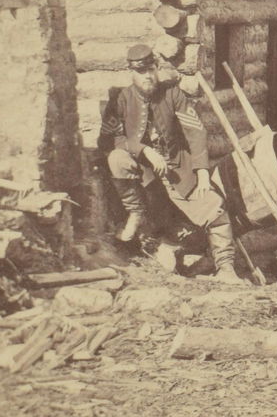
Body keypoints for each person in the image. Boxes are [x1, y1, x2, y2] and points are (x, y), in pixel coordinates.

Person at [101, 45, 240, 282]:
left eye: (150, 69)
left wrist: (202, 172)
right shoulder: (120, 99)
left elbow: (196, 131)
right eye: (141, 71)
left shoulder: (172, 94)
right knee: (117, 158)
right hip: (144, 171)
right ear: (131, 72)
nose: (147, 76)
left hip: (178, 170)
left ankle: (226, 268)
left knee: (214, 208)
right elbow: (109, 139)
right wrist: (143, 150)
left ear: (156, 69)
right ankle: (136, 215)